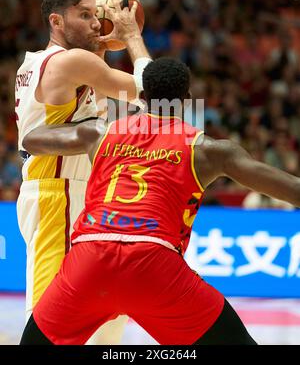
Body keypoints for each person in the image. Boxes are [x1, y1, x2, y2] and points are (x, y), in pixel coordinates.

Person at [20, 56, 300, 345]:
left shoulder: (101, 133)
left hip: (89, 258)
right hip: (153, 263)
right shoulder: (208, 149)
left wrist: (92, 120)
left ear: (142, 97)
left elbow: (32, 139)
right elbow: (293, 189)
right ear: (187, 101)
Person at [15, 0, 152, 345]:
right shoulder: (72, 61)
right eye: (86, 15)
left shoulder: (39, 62)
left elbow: (88, 97)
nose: (96, 23)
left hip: (79, 196)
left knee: (106, 310)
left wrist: (101, 47)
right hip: (57, 197)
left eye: (97, 15)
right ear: (57, 21)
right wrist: (132, 36)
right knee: (51, 317)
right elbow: (154, 91)